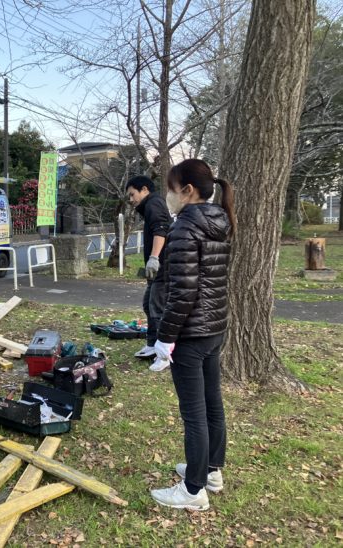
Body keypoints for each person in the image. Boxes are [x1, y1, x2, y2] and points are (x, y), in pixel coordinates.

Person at [150, 158, 235, 511]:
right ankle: (210, 471)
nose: (167, 196)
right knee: (212, 404)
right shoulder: (220, 220)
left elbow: (182, 293)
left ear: (187, 190)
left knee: (195, 413)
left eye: (170, 189)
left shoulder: (185, 227)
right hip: (214, 328)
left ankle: (193, 489)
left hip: (190, 333)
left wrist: (164, 338)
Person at [126, 175, 171, 372]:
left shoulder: (154, 203)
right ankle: (152, 344)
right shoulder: (149, 206)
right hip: (155, 271)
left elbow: (161, 230)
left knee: (158, 308)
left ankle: (165, 354)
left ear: (144, 189)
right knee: (148, 305)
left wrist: (154, 258)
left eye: (132, 194)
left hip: (163, 267)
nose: (131, 199)